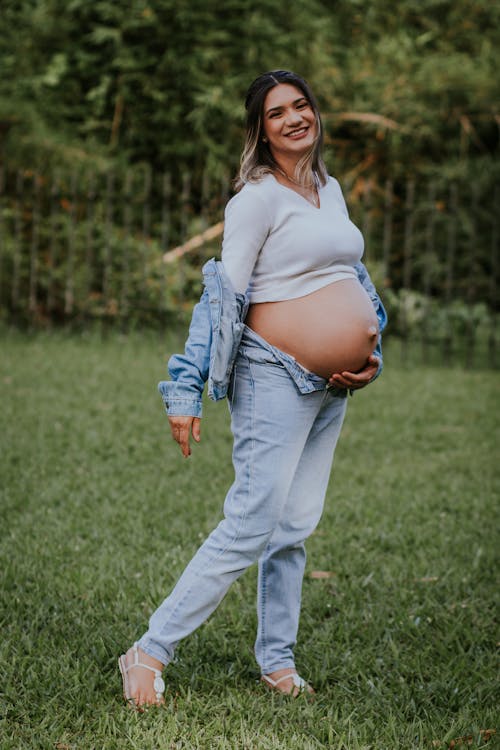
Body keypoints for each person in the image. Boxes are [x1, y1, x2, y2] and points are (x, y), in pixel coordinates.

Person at [119, 69, 387, 707]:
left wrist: (372, 349)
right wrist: (184, 390)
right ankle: (150, 650)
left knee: (294, 525)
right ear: (260, 132)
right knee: (252, 520)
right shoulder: (257, 199)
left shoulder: (331, 188)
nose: (295, 118)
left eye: (302, 106)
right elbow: (222, 294)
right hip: (273, 377)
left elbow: (353, 275)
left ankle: (277, 661)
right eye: (277, 113)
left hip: (331, 387)